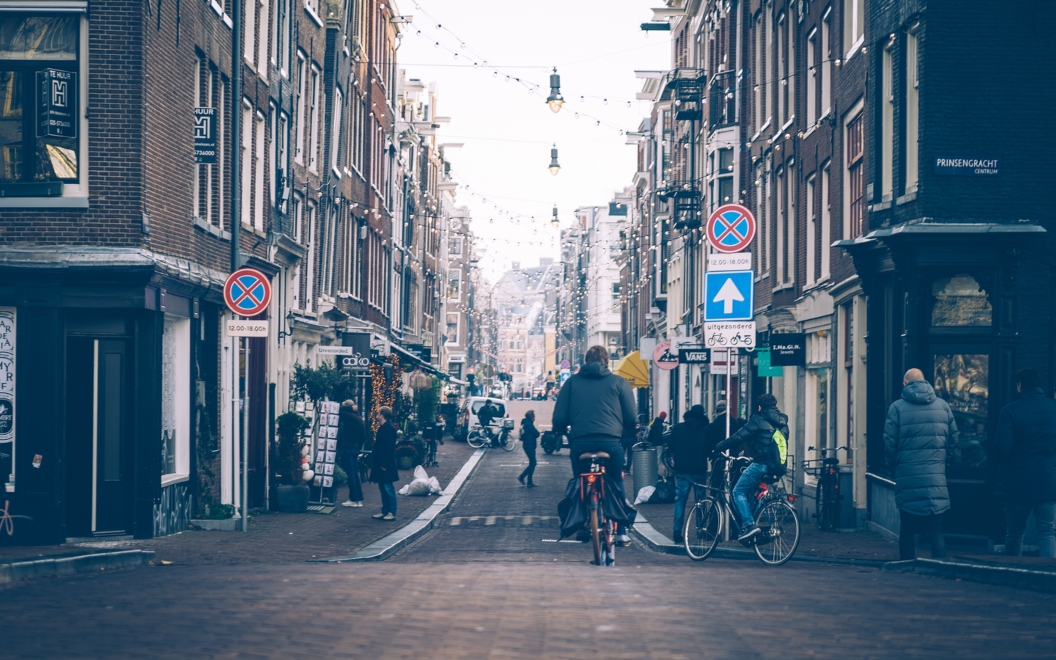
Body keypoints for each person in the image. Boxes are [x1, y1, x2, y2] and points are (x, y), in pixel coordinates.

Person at [553, 345, 638, 546]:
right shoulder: (619, 382)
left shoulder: (572, 383)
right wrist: (628, 431)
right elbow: (631, 417)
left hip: (581, 443)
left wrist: (560, 430)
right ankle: (622, 532)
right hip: (611, 443)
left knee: (580, 479)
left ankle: (583, 523)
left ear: (585, 361)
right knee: (616, 481)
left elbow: (559, 416)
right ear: (607, 361)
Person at [884, 368, 957, 561]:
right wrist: (943, 461)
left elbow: (889, 443)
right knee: (936, 528)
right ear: (925, 382)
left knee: (907, 529)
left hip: (907, 477)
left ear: (905, 384)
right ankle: (940, 566)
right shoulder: (943, 406)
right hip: (936, 477)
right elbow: (954, 440)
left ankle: (907, 565)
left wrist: (893, 465)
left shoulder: (897, 408)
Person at [995, 368, 1056, 558]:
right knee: (1047, 532)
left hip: (1018, 481)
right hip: (1048, 479)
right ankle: (1048, 576)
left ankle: (1012, 572)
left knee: (1014, 532)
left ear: (1020, 385)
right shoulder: (1053, 408)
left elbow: (1003, 449)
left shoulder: (1010, 410)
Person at [716, 393, 789, 542]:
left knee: (738, 491)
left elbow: (739, 436)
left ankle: (750, 525)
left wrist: (718, 447)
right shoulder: (782, 421)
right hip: (777, 467)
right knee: (754, 493)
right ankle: (755, 529)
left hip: (761, 464)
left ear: (760, 406)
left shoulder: (758, 419)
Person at [665, 404, 710, 544]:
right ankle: (700, 528)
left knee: (680, 501)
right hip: (699, 470)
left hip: (682, 470)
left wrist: (673, 463)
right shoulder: (705, 429)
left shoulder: (678, 428)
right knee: (701, 500)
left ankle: (677, 531)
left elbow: (669, 447)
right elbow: (708, 449)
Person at [703, 400, 746, 489]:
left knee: (716, 486)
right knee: (734, 485)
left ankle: (717, 502)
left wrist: (711, 454)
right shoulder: (737, 424)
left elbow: (706, 447)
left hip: (718, 460)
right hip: (734, 458)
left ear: (716, 411)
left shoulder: (711, 427)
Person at [370, 406, 399, 521]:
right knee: (383, 487)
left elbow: (390, 447)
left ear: (382, 415)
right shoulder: (384, 427)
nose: (377, 415)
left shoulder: (389, 428)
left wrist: (384, 464)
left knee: (388, 487)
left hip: (385, 464)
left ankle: (392, 511)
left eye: (378, 414)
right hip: (381, 462)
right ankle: (385, 510)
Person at [337, 400, 365, 508]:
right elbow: (363, 436)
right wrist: (358, 447)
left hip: (347, 448)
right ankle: (358, 499)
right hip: (355, 448)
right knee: (354, 474)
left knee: (350, 474)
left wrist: (347, 407)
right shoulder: (358, 418)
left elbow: (339, 410)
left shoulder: (350, 417)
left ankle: (354, 499)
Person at [518, 410, 541, 487]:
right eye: (534, 416)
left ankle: (529, 481)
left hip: (526, 445)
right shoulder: (529, 425)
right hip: (530, 445)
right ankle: (522, 477)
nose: (535, 417)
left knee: (532, 463)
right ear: (531, 417)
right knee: (533, 463)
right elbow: (537, 433)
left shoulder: (525, 423)